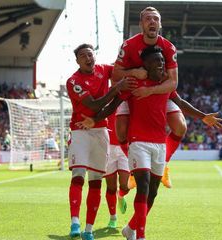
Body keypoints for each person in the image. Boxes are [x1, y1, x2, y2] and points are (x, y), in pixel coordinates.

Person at [77, 45, 222, 240]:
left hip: (160, 144)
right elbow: (113, 105)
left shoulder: (166, 84)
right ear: (145, 64)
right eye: (156, 61)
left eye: (162, 61)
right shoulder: (134, 84)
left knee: (152, 193)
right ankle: (141, 236)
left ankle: (130, 229)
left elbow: (180, 103)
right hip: (138, 143)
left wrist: (203, 116)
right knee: (144, 187)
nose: (161, 64)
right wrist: (94, 120)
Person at [112, 6, 188, 188]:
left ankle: (164, 164)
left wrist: (151, 91)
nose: (152, 21)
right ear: (141, 24)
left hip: (158, 92)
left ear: (160, 24)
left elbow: (173, 83)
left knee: (180, 126)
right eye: (148, 19)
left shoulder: (168, 47)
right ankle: (133, 170)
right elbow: (116, 74)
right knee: (121, 131)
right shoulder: (129, 45)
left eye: (155, 19)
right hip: (132, 90)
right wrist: (135, 73)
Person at [66, 43, 135, 240]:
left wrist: (136, 65)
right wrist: (116, 89)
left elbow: (122, 71)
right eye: (82, 55)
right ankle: (75, 223)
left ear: (94, 56)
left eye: (90, 54)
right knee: (78, 175)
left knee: (96, 181)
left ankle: (88, 229)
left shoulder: (105, 70)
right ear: (77, 60)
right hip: (80, 130)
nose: (88, 58)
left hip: (101, 132)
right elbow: (95, 104)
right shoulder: (73, 81)